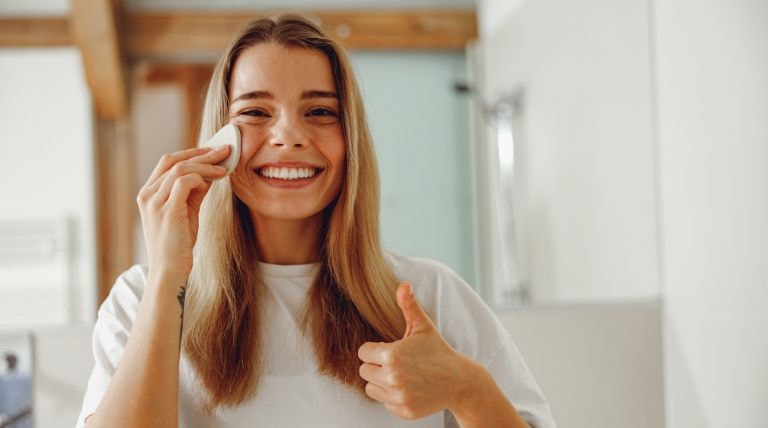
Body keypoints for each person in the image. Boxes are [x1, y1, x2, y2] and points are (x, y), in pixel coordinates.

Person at [76, 14, 555, 428]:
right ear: (218, 139)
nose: (289, 136)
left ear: (350, 139)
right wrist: (166, 278)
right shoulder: (140, 300)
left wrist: (466, 389)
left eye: (320, 111)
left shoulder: (431, 296)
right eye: (256, 111)